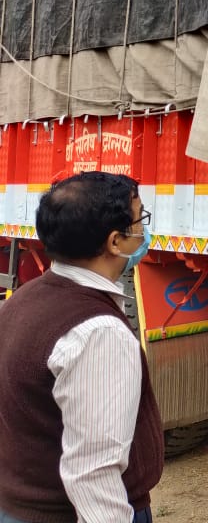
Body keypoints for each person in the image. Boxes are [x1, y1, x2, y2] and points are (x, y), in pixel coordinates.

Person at [0, 172, 163, 523]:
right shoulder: (99, 333)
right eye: (140, 220)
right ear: (116, 242)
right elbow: (94, 472)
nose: (144, 232)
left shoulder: (23, 298)